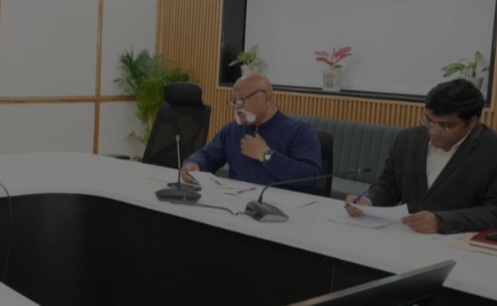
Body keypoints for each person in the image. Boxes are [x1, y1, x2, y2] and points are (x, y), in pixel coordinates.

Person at [345, 78, 497, 234]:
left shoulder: (491, 150)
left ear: (472, 122)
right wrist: (368, 202)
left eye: (445, 126)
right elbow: (388, 185)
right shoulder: (407, 139)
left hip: (458, 240)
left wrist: (441, 221)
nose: (433, 131)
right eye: (428, 121)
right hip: (406, 235)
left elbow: (493, 211)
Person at [181, 73, 322, 192]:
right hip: (237, 204)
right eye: (234, 101)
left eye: (242, 99)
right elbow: (208, 155)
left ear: (267, 98)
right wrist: (194, 164)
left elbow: (311, 178)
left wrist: (267, 155)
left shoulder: (299, 131)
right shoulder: (233, 129)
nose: (237, 106)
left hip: (281, 209)